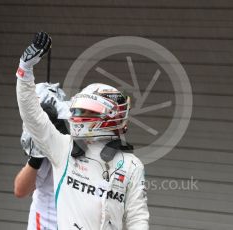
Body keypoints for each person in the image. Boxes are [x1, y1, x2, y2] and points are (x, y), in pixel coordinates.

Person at [16, 32, 149, 230]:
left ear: (110, 117)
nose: (78, 117)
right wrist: (25, 69)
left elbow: (137, 220)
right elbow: (32, 116)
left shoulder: (132, 166)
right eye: (78, 110)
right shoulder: (64, 148)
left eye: (87, 112)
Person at [14, 82, 70, 230]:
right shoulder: (44, 149)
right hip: (46, 225)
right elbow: (20, 190)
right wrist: (36, 156)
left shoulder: (76, 141)